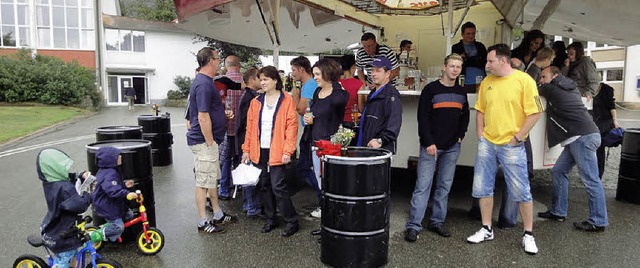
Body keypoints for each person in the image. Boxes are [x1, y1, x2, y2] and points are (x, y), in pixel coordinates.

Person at [466, 44, 542, 255]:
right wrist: (480, 135)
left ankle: (528, 234)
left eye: (490, 61)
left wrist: (518, 137)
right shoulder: (487, 82)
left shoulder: (524, 80)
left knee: (521, 191)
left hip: (512, 145)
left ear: (503, 60)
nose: (486, 65)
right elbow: (480, 110)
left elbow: (535, 112)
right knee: (483, 188)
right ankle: (486, 228)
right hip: (488, 144)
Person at [405, 54, 469, 241]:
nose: (455, 70)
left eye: (458, 67)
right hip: (431, 146)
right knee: (423, 186)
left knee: (444, 186)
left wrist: (460, 136)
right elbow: (422, 119)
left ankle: (437, 222)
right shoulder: (430, 90)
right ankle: (414, 225)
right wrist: (428, 142)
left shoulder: (461, 91)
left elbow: (464, 117)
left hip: (452, 147)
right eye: (452, 66)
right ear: (444, 67)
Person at [536, 66, 609, 232]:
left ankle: (598, 221)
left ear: (555, 76)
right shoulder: (572, 87)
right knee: (558, 171)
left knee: (591, 180)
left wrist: (536, 67)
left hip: (581, 138)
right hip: (581, 136)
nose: (542, 80)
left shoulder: (551, 88)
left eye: (544, 76)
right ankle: (558, 211)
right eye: (541, 77)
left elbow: (532, 89)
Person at [242, 66, 299, 237]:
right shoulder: (256, 102)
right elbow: (250, 129)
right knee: (264, 185)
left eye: (266, 79)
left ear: (275, 80)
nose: (263, 82)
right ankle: (270, 218)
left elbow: (291, 127)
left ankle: (291, 220)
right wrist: (246, 150)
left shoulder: (287, 100)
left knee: (278, 186)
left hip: (279, 150)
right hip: (259, 150)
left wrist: (288, 151)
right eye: (261, 79)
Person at [187, 47, 237, 234]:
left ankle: (217, 214)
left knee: (211, 180)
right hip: (204, 142)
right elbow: (202, 116)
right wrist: (209, 141)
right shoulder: (204, 84)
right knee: (202, 182)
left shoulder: (206, 82)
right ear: (210, 61)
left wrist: (222, 114)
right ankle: (202, 221)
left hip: (210, 141)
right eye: (217, 58)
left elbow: (207, 110)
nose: (219, 61)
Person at [304, 58, 350, 219]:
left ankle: (335, 209)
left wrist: (335, 84)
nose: (315, 77)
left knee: (332, 179)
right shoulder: (317, 91)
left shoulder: (338, 94)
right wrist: (309, 118)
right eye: (314, 74)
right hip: (316, 141)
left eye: (317, 74)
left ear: (327, 73)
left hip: (331, 144)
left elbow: (343, 98)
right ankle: (325, 207)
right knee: (319, 178)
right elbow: (313, 112)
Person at [38, 148, 92, 268]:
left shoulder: (51, 182)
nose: (67, 169)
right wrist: (88, 194)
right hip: (61, 233)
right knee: (64, 260)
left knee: (72, 255)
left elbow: (67, 178)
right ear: (55, 169)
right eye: (64, 167)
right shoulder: (64, 189)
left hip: (58, 227)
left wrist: (80, 176)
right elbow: (80, 205)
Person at [289, 56, 321, 218]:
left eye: (294, 69)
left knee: (304, 167)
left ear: (301, 69)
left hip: (310, 130)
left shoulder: (308, 86)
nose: (292, 73)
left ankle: (323, 196)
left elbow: (301, 109)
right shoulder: (312, 84)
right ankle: (323, 195)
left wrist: (295, 94)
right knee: (311, 167)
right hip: (313, 128)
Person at [90, 146, 137, 242]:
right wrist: (127, 194)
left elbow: (114, 185)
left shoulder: (112, 170)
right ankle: (92, 236)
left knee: (129, 215)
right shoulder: (109, 173)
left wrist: (124, 185)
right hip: (106, 205)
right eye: (118, 156)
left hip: (112, 202)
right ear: (110, 159)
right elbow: (112, 190)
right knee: (118, 227)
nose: (121, 158)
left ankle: (111, 227)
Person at [356, 56, 402, 153]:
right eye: (372, 70)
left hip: (378, 151)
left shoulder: (391, 96)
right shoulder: (373, 93)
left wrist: (380, 140)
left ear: (388, 74)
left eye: (378, 71)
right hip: (365, 147)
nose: (373, 74)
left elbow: (394, 125)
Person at [236, 67, 263, 218]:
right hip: (247, 142)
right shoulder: (250, 98)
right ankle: (252, 207)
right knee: (250, 176)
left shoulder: (249, 95)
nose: (262, 81)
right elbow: (248, 123)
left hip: (245, 141)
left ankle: (249, 205)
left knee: (248, 175)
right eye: (260, 78)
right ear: (252, 80)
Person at [218, 54, 243, 200]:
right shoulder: (244, 81)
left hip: (225, 128)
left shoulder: (220, 82)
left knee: (225, 159)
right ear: (238, 65)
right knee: (240, 159)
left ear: (226, 66)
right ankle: (240, 186)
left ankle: (224, 190)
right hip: (241, 128)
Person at [592, 82, 619, 179]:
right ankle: (593, 173)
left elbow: (612, 106)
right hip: (592, 122)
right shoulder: (586, 89)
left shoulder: (606, 89)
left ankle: (599, 174)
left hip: (603, 123)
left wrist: (615, 120)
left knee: (599, 149)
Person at [451, 21, 487, 88]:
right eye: (468, 34)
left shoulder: (480, 46)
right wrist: (475, 59)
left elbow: (483, 62)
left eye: (473, 33)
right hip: (463, 81)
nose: (471, 36)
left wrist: (466, 59)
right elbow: (456, 64)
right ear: (462, 34)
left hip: (481, 81)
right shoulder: (456, 47)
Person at [338, 54, 365, 132]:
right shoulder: (359, 84)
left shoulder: (335, 84)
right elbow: (360, 108)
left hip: (338, 122)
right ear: (353, 67)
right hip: (352, 122)